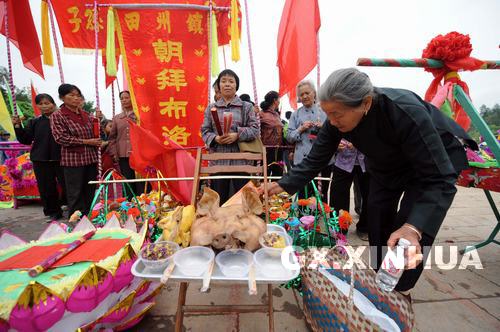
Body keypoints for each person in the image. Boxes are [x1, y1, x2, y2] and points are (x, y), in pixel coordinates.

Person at [264, 68, 476, 295]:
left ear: (365, 103)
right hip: (387, 166)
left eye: (337, 115)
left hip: (429, 166)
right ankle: (381, 277)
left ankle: (401, 289)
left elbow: (439, 179)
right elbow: (317, 157)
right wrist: (282, 185)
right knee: (377, 219)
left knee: (409, 230)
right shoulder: (337, 117)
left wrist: (414, 227)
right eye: (328, 115)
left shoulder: (404, 110)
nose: (332, 122)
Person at [201, 69, 260, 203]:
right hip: (218, 162)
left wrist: (237, 135)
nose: (227, 84)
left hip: (242, 162)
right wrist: (215, 138)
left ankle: (243, 224)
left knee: (242, 201)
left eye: (231, 81)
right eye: (223, 81)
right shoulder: (211, 108)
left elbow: (255, 130)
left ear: (236, 86)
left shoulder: (246, 107)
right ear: (219, 86)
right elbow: (204, 131)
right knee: (220, 200)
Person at [12, 94, 66, 221]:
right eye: (40, 104)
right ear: (37, 106)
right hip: (41, 159)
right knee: (46, 188)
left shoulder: (63, 119)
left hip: (62, 158)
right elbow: (25, 139)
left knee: (68, 185)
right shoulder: (34, 122)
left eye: (47, 103)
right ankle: (53, 213)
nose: (44, 106)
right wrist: (18, 126)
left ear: (53, 103)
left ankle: (72, 209)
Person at [50, 84, 100, 217]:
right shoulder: (58, 115)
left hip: (90, 158)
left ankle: (89, 216)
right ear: (62, 97)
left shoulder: (86, 114)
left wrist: (98, 124)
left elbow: (95, 133)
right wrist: (86, 142)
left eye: (78, 95)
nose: (76, 98)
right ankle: (76, 219)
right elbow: (61, 138)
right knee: (75, 192)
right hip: (73, 160)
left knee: (89, 190)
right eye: (71, 95)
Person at [286, 80, 332, 200]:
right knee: (303, 194)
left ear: (314, 93)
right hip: (303, 160)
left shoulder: (325, 111)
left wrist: (323, 127)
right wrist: (301, 128)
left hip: (324, 159)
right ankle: (303, 217)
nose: (304, 96)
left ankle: (320, 217)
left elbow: (335, 131)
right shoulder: (295, 114)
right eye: (301, 94)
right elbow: (289, 137)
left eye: (307, 93)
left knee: (322, 194)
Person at [331, 139, 369, 240]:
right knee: (339, 196)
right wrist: (335, 144)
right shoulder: (336, 123)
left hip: (366, 162)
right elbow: (330, 137)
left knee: (369, 196)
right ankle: (339, 228)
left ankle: (364, 227)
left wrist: (359, 143)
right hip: (342, 162)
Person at [108, 91, 143, 197]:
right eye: (122, 98)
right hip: (123, 154)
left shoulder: (139, 115)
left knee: (141, 180)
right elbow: (112, 137)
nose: (124, 100)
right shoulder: (117, 118)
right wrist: (114, 153)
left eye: (126, 98)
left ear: (132, 99)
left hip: (138, 154)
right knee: (127, 180)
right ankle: (129, 204)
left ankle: (143, 202)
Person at [259, 91, 284, 177]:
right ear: (275, 100)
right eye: (279, 99)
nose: (280, 101)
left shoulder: (277, 114)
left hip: (279, 150)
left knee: (278, 176)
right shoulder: (261, 114)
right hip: (266, 151)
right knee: (264, 176)